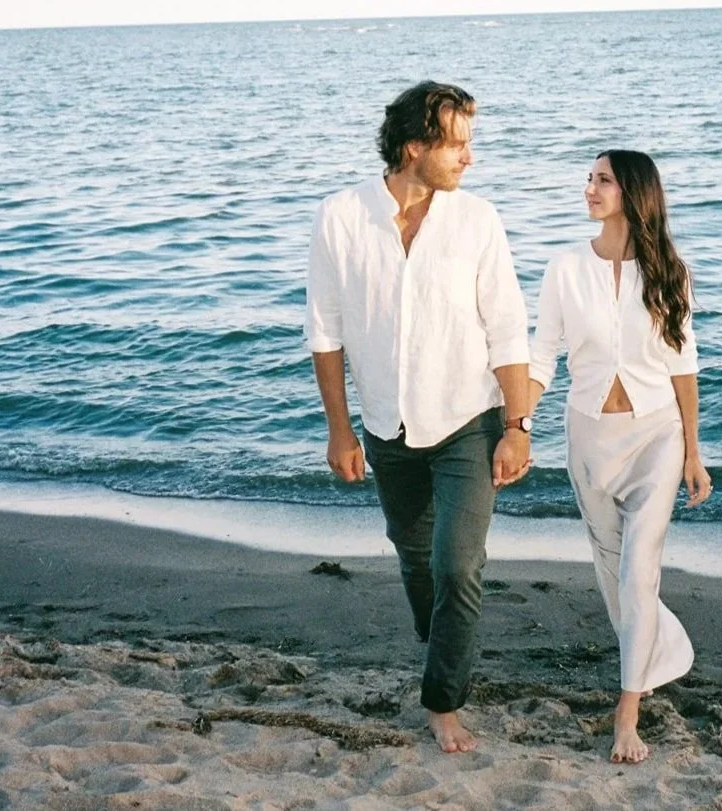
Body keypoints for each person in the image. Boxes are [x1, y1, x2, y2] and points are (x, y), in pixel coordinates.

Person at [305, 81, 532, 754]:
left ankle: (442, 701)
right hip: (386, 428)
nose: (469, 157)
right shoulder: (342, 217)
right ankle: (446, 647)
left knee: (458, 567)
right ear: (414, 147)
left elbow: (508, 330)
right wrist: (339, 429)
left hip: (469, 420)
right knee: (417, 563)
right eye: (457, 144)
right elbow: (325, 333)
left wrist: (517, 428)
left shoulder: (477, 220)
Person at [528, 149, 713, 764]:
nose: (590, 188)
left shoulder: (669, 273)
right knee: (614, 574)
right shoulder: (564, 268)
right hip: (588, 436)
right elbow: (542, 356)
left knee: (637, 572)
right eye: (589, 178)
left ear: (633, 193)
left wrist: (693, 452)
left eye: (603, 180)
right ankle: (658, 650)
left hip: (657, 435)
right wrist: (517, 423)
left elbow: (683, 365)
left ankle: (627, 712)